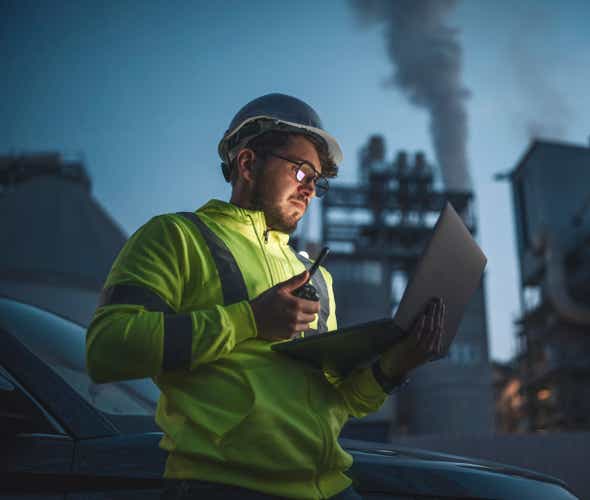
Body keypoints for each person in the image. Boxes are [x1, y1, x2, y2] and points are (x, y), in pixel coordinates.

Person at [86, 93, 447, 500]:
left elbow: (340, 402)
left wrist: (399, 363)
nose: (310, 188)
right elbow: (107, 348)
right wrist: (250, 320)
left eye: (318, 180)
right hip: (225, 487)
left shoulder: (317, 276)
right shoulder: (176, 237)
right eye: (301, 171)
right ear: (247, 164)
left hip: (331, 488)